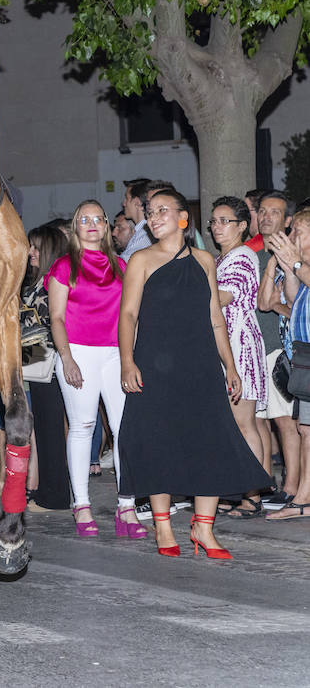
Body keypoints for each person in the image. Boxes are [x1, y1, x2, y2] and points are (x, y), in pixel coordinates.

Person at [118, 187, 271, 556]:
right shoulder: (141, 259)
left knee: (209, 442)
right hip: (154, 364)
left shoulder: (204, 260)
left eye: (162, 210)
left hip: (200, 365)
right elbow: (128, 314)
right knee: (159, 442)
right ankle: (163, 527)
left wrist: (230, 366)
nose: (154, 218)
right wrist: (127, 361)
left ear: (183, 218)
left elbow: (215, 318)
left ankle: (203, 528)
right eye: (150, 212)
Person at [47, 201, 143, 538]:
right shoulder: (64, 266)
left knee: (124, 430)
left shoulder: (121, 265)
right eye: (84, 219)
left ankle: (127, 506)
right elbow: (56, 317)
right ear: (76, 226)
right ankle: (82, 504)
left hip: (116, 354)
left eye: (98, 219)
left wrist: (130, 357)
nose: (91, 224)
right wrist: (67, 357)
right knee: (82, 426)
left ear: (105, 226)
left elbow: (131, 316)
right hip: (78, 352)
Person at [209, 197, 272, 518]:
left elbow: (222, 297)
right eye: (214, 221)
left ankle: (252, 495)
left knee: (244, 422)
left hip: (240, 346)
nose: (217, 227)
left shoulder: (243, 256)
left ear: (243, 225)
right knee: (240, 424)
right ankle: (241, 489)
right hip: (227, 345)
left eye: (225, 221)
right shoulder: (223, 258)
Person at [263, 210, 310, 520]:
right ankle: (304, 499)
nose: (292, 238)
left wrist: (294, 264)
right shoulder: (301, 266)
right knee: (305, 427)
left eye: (299, 232)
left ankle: (303, 499)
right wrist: (289, 269)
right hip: (304, 353)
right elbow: (291, 301)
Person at [254, 191, 299, 509]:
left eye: (274, 212)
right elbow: (263, 302)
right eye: (262, 211)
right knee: (263, 420)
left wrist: (281, 308)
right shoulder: (257, 256)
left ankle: (292, 486)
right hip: (261, 347)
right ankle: (266, 483)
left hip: (284, 349)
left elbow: (293, 306)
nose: (266, 216)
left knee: (286, 421)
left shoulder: (296, 256)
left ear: (288, 220)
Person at [21, 224, 69, 511]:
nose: (30, 252)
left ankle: (55, 496)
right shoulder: (40, 281)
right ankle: (49, 490)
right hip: (38, 363)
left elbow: (52, 324)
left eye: (36, 247)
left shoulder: (52, 283)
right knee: (44, 429)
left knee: (51, 431)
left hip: (49, 364)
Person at [119, 178, 156, 260]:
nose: (124, 203)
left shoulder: (146, 234)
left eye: (127, 198)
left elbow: (124, 263)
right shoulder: (140, 231)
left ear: (137, 203)